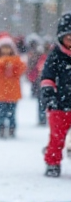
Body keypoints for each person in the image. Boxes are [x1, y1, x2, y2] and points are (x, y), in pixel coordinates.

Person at [40, 12, 71, 177]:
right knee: (56, 137)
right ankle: (52, 162)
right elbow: (47, 77)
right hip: (59, 104)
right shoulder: (56, 56)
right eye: (69, 38)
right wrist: (49, 95)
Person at [0, 34, 26, 138]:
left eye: (8, 48)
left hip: (13, 92)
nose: (6, 50)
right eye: (3, 48)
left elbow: (21, 70)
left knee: (12, 114)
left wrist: (13, 65)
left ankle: (12, 129)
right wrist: (1, 63)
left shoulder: (16, 59)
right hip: (1, 92)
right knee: (1, 114)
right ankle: (2, 129)